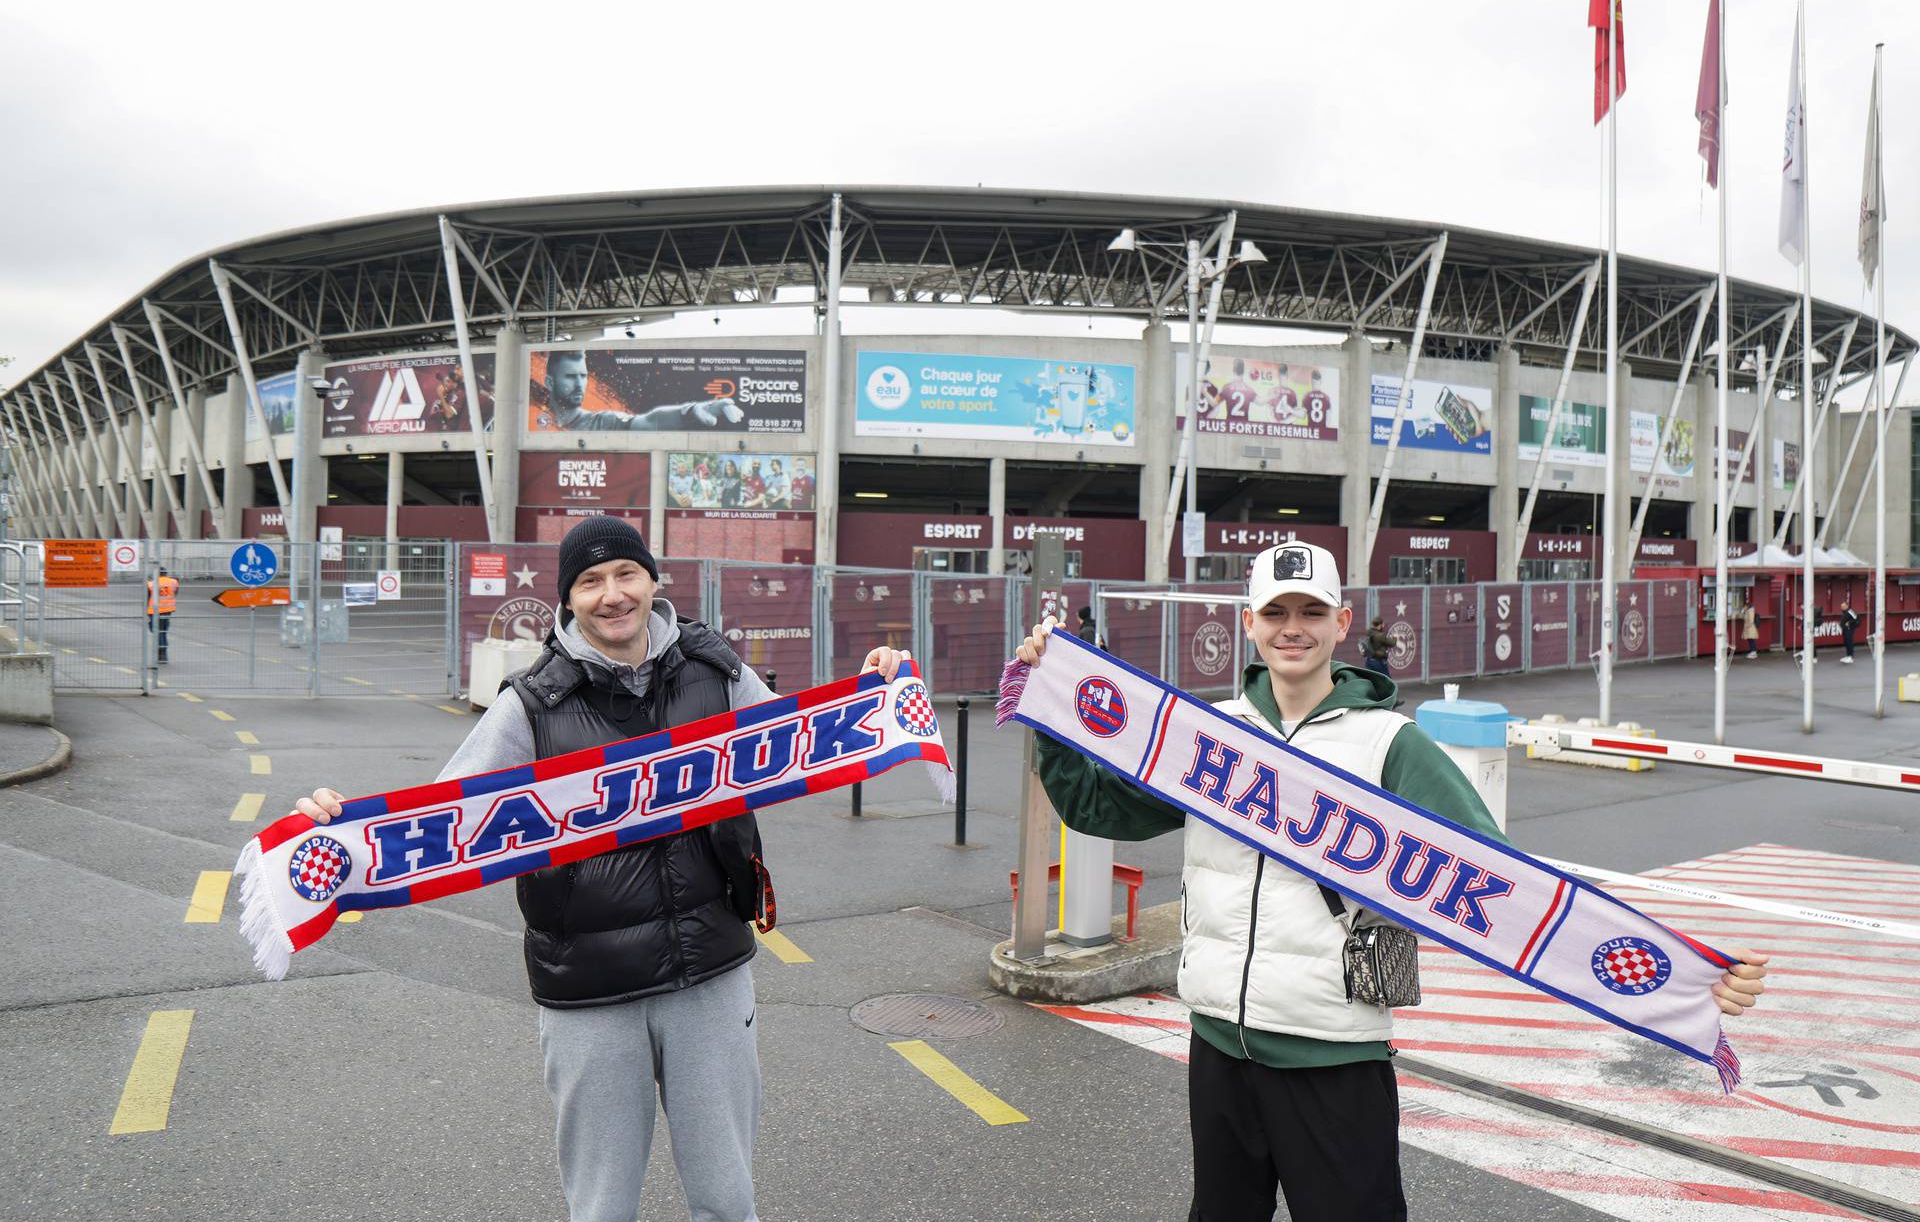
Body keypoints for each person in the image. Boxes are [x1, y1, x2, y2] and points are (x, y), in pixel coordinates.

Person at [1015, 541, 1769, 1222]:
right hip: (1219, 1046)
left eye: (1311, 610)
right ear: (1249, 623)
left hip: (1333, 1058)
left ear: (1342, 621)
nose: (1292, 627)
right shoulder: (1212, 735)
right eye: (1275, 611)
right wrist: (1047, 703)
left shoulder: (1390, 743)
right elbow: (1095, 804)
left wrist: (1674, 972)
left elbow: (1504, 884)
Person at [297, 515, 907, 1222]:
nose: (612, 594)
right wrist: (340, 832)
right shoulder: (530, 705)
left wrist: (869, 698)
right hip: (589, 993)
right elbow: (442, 819)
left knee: (728, 1201)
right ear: (568, 598)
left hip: (708, 974)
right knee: (601, 1209)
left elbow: (803, 745)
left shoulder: (715, 670)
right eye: (590, 581)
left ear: (653, 579)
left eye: (625, 573)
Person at [537, 350, 745, 431]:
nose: (579, 384)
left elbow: (649, 420)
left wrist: (692, 411)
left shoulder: (602, 422)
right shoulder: (536, 422)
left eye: (583, 376)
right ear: (550, 382)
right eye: (570, 376)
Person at [146, 566, 178, 664]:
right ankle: (162, 653)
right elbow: (175, 594)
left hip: (154, 611)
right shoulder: (173, 582)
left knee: (156, 631)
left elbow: (147, 598)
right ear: (165, 573)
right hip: (168, 609)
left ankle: (162, 654)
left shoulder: (151, 583)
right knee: (163, 631)